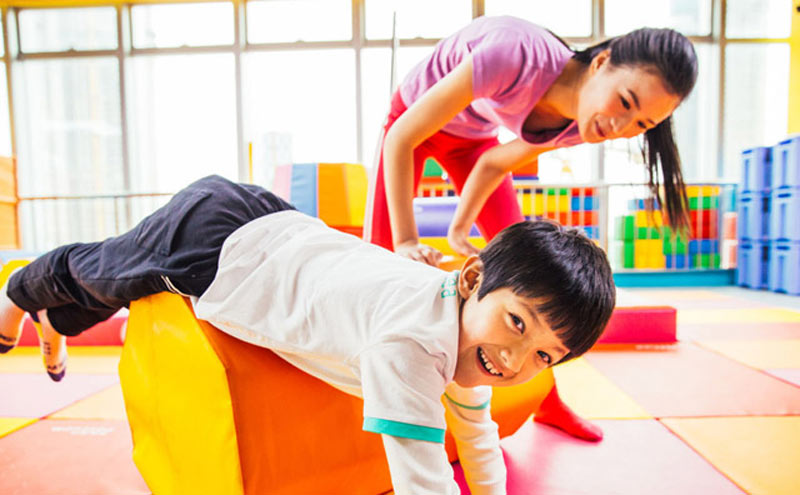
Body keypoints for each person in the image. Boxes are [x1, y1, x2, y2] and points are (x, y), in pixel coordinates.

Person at [0, 175, 615, 493]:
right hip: (217, 248)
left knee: (110, 283)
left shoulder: (471, 337)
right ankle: (16, 294)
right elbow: (422, 477)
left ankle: (56, 323)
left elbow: (477, 435)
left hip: (279, 225)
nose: (513, 358)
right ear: (472, 277)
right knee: (103, 271)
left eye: (543, 354)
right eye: (516, 323)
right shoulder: (409, 348)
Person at [364, 15, 698, 440]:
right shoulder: (515, 54)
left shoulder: (584, 123)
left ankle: (546, 402)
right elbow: (402, 136)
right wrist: (407, 240)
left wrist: (459, 230)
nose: (619, 127)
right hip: (411, 122)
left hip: (472, 141)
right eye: (625, 102)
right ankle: (370, 394)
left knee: (541, 278)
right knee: (378, 261)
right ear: (602, 63)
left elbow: (491, 164)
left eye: (641, 125)